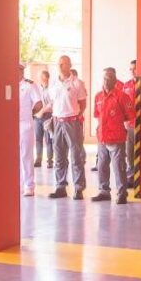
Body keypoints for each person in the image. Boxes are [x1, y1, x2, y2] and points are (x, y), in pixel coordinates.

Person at [91, 68, 135, 205]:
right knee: (102, 165)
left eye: (109, 78)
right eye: (104, 78)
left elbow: (130, 114)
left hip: (116, 138)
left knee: (119, 167)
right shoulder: (98, 96)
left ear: (115, 81)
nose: (106, 80)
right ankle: (104, 191)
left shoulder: (122, 96)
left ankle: (122, 194)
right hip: (102, 138)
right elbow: (97, 114)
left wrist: (116, 121)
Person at [48, 56, 88, 200]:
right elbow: (52, 102)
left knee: (76, 156)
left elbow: (83, 104)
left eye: (63, 63)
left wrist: (74, 116)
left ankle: (78, 188)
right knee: (59, 156)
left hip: (72, 122)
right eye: (58, 63)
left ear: (69, 65)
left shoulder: (77, 83)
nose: (59, 66)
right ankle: (60, 187)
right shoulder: (53, 82)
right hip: (57, 122)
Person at [19, 65, 43, 196]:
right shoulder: (8, 85)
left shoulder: (29, 86)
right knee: (14, 156)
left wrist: (30, 113)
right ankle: (18, 184)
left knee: (26, 155)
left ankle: (29, 185)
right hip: (12, 125)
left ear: (21, 71)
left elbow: (39, 104)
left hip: (25, 124)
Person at [122, 60, 138, 180]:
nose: (132, 71)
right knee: (129, 149)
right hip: (129, 124)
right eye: (131, 69)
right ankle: (131, 171)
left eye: (134, 69)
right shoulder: (126, 85)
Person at [34, 69, 54, 168]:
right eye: (40, 77)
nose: (41, 79)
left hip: (47, 116)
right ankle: (38, 160)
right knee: (38, 139)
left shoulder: (51, 89)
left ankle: (50, 161)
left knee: (48, 140)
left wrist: (42, 111)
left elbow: (51, 104)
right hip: (37, 117)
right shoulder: (38, 89)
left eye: (42, 77)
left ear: (47, 78)